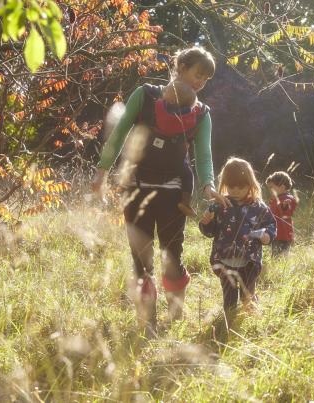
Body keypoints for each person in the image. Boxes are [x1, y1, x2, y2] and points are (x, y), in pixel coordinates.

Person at [91, 47, 229, 336]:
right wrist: (102, 172)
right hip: (135, 189)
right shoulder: (145, 96)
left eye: (206, 79)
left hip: (173, 194)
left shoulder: (201, 114)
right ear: (180, 67)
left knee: (172, 256)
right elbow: (118, 135)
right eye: (198, 74)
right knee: (141, 258)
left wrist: (208, 187)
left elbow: (203, 156)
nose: (200, 82)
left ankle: (175, 310)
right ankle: (148, 321)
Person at [199, 157, 276, 316]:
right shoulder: (220, 205)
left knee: (247, 296)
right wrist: (206, 222)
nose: (236, 190)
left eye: (241, 186)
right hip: (224, 260)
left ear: (250, 184)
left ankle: (251, 319)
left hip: (249, 261)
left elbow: (271, 225)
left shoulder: (259, 207)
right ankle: (228, 323)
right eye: (231, 186)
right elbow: (210, 232)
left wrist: (267, 236)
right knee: (229, 299)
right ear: (225, 184)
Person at [160, 80, 198, 217]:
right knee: (188, 175)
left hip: (157, 153)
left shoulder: (162, 109)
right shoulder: (186, 114)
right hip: (176, 159)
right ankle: (185, 202)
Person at [265, 171, 297, 255]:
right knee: (275, 255)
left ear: (282, 187)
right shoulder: (275, 199)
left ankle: (283, 267)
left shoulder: (288, 199)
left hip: (283, 234)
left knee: (281, 256)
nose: (270, 190)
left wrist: (284, 206)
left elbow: (287, 211)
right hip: (276, 233)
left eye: (272, 187)